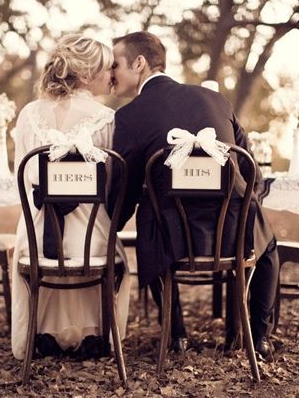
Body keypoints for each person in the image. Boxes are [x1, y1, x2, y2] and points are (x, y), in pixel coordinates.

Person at [107, 31, 279, 360]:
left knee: (149, 216)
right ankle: (259, 337)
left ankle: (176, 334)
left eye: (116, 64)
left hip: (172, 239)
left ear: (139, 63)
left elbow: (125, 189)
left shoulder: (129, 116)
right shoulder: (214, 99)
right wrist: (247, 202)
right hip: (232, 233)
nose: (112, 72)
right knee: (266, 240)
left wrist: (113, 221)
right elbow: (248, 165)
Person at [11, 34, 131, 361]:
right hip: (89, 236)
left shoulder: (28, 115)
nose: (112, 76)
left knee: (38, 238)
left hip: (36, 236)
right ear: (85, 74)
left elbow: (19, 178)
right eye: (107, 68)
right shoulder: (106, 118)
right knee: (107, 249)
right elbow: (109, 186)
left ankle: (44, 335)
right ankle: (94, 335)